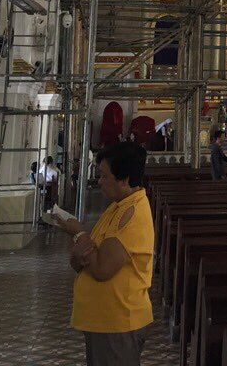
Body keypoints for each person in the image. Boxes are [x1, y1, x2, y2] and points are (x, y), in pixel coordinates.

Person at [58, 142, 154, 366]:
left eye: (104, 176)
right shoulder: (118, 206)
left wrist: (78, 233)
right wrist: (81, 246)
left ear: (124, 179)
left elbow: (101, 269)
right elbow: (83, 256)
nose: (99, 181)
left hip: (118, 321)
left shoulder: (132, 215)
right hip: (105, 320)